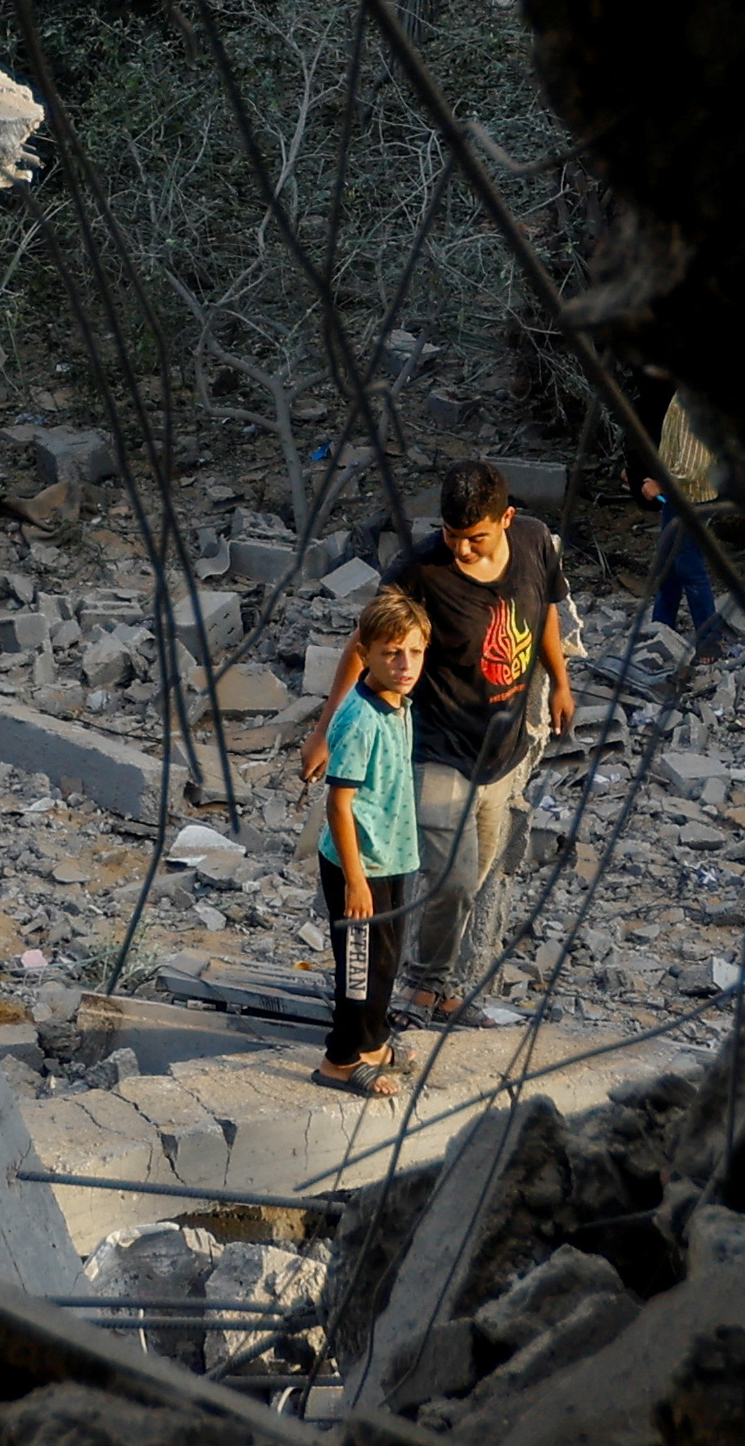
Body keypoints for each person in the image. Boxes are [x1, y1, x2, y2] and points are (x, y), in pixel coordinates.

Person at [302, 460, 576, 1027]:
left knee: (469, 881)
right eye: (452, 536)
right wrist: (326, 730)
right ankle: (415, 993)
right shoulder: (421, 569)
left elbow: (547, 610)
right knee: (450, 879)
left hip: (501, 752)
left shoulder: (532, 544)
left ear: (507, 519)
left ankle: (429, 980)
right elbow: (365, 642)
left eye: (475, 538)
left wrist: (561, 685)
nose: (463, 551)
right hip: (436, 747)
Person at [311, 589, 430, 1098]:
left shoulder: (396, 704)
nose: (405, 665)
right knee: (358, 970)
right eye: (391, 653)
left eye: (415, 652)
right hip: (359, 866)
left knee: (385, 961)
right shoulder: (359, 720)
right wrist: (355, 881)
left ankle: (375, 1043)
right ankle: (340, 1060)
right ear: (366, 653)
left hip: (391, 857)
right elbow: (339, 805)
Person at [639, 395, 722, 659]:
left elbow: (692, 466)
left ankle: (709, 642)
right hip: (683, 496)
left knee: (689, 567)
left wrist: (661, 484)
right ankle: (661, 628)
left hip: (690, 498)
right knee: (669, 565)